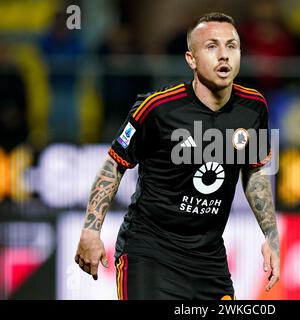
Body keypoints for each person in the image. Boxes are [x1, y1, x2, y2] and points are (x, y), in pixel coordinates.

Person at [74, 12, 280, 300]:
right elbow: (114, 164)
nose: (224, 56)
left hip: (209, 263)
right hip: (150, 254)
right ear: (191, 59)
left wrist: (270, 236)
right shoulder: (157, 107)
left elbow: (254, 171)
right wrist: (91, 231)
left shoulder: (254, 107)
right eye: (211, 46)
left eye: (231, 46)